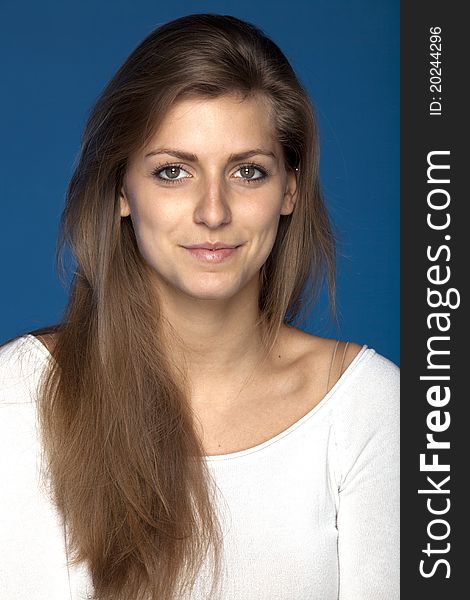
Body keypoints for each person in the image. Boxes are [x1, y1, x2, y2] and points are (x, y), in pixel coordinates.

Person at [0, 13, 399, 600]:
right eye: (173, 172)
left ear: (289, 189)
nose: (213, 211)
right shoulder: (19, 396)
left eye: (248, 171)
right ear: (120, 192)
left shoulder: (369, 407)